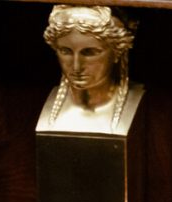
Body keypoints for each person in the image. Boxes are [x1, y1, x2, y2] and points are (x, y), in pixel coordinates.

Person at [41, 4, 140, 133]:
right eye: (66, 51)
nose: (76, 66)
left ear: (117, 52)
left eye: (89, 53)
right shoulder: (34, 105)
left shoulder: (146, 106)